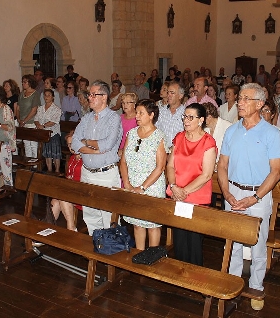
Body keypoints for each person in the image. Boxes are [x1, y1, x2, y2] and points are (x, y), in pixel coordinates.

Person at [217, 83, 280, 311]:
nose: (240, 102)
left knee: (257, 244)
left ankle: (256, 287)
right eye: (240, 98)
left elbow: (276, 171)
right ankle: (232, 284)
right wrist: (226, 192)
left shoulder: (271, 133)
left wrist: (254, 197)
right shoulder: (232, 130)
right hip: (233, 192)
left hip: (258, 194)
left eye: (246, 99)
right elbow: (222, 165)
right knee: (232, 241)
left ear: (260, 104)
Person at [166, 103, 216, 265]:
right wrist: (174, 187)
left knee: (194, 239)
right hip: (176, 193)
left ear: (201, 120)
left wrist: (183, 191)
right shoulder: (179, 138)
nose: (186, 120)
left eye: (190, 117)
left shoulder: (208, 142)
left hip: (196, 196)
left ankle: (196, 277)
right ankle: (180, 273)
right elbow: (170, 165)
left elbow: (206, 174)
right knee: (179, 237)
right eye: (184, 117)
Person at [71, 80, 122, 235]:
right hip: (87, 172)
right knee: (90, 214)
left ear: (104, 97)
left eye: (93, 95)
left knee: (108, 215)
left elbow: (107, 144)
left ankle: (111, 249)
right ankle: (96, 243)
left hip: (105, 173)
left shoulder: (114, 118)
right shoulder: (86, 118)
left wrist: (85, 143)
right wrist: (93, 151)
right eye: (89, 94)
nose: (90, 98)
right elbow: (74, 142)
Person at [120, 99, 167, 250]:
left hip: (151, 187)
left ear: (151, 115)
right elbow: (123, 161)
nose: (137, 116)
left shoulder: (159, 136)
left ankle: (152, 258)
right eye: (137, 113)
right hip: (132, 184)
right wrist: (127, 183)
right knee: (137, 224)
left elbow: (160, 167)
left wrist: (142, 187)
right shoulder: (131, 133)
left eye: (141, 113)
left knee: (152, 225)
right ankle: (139, 255)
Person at [50, 132, 80, 231]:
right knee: (55, 201)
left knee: (63, 197)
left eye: (73, 143)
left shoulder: (87, 158)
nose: (71, 147)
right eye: (68, 144)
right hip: (71, 190)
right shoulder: (72, 158)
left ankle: (71, 228)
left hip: (83, 192)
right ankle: (48, 229)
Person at [34, 88, 62, 174]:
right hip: (44, 134)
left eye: (49, 95)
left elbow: (53, 121)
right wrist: (38, 124)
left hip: (53, 134)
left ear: (53, 97)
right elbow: (36, 119)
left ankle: (57, 171)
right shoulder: (40, 108)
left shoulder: (57, 109)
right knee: (47, 153)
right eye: (45, 95)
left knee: (55, 153)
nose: (46, 97)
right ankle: (49, 170)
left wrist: (43, 125)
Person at [156, 82, 186, 152]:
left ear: (180, 96)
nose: (168, 95)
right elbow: (155, 131)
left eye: (172, 93)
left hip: (178, 152)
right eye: (168, 92)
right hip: (161, 151)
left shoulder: (186, 113)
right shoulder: (161, 111)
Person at [18, 74, 41, 159]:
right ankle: (28, 161)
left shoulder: (35, 94)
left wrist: (25, 120)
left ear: (30, 83)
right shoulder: (21, 94)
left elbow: (34, 110)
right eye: (22, 82)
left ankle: (35, 163)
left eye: (25, 82)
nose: (23, 84)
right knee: (26, 144)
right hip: (23, 122)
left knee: (33, 144)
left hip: (31, 122)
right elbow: (18, 108)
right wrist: (20, 119)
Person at [118, 93, 138, 158]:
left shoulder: (138, 118)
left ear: (134, 104)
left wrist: (124, 150)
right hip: (117, 149)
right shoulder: (120, 117)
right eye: (123, 103)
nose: (125, 105)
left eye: (127, 103)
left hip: (131, 152)